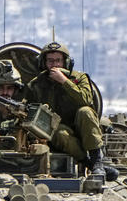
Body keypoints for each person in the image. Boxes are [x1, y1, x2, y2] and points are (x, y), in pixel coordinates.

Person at [23, 41, 111, 178]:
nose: (54, 65)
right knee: (58, 131)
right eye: (50, 61)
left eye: (58, 61)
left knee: (85, 112)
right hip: (56, 132)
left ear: (66, 62)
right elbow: (27, 110)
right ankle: (89, 164)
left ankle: (97, 161)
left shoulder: (79, 78)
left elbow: (87, 100)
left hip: (82, 126)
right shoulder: (36, 85)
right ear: (43, 63)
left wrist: (64, 81)